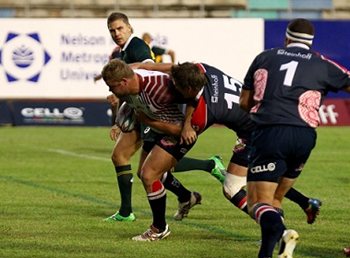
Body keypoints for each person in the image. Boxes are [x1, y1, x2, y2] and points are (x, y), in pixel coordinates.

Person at [130, 61, 322, 225]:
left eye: (177, 88)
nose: (173, 90)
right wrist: (142, 66)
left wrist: (149, 122)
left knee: (233, 187)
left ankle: (273, 224)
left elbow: (180, 138)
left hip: (258, 134)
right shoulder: (203, 70)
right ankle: (306, 202)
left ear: (188, 89)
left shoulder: (205, 113)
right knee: (263, 174)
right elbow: (175, 69)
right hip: (268, 122)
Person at [239, 18, 350, 258]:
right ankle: (264, 257)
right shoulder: (322, 63)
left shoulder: (264, 57)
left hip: (270, 131)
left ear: (286, 39)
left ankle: (283, 233)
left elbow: (245, 101)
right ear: (310, 43)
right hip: (304, 136)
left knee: (258, 200)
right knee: (277, 196)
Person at [102, 12, 225, 223]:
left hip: (157, 111)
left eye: (120, 28)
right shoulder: (121, 54)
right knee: (143, 165)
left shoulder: (137, 48)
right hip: (146, 112)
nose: (116, 33)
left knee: (151, 166)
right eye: (112, 30)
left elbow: (151, 77)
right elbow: (130, 89)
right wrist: (119, 118)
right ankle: (186, 195)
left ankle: (130, 212)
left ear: (130, 28)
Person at [101, 59, 199, 241]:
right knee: (144, 173)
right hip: (158, 128)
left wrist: (187, 126)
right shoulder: (129, 83)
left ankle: (159, 228)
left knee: (149, 175)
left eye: (111, 87)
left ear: (123, 82)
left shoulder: (160, 88)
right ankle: (186, 196)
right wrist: (119, 120)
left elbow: (195, 96)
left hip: (178, 133)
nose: (110, 91)